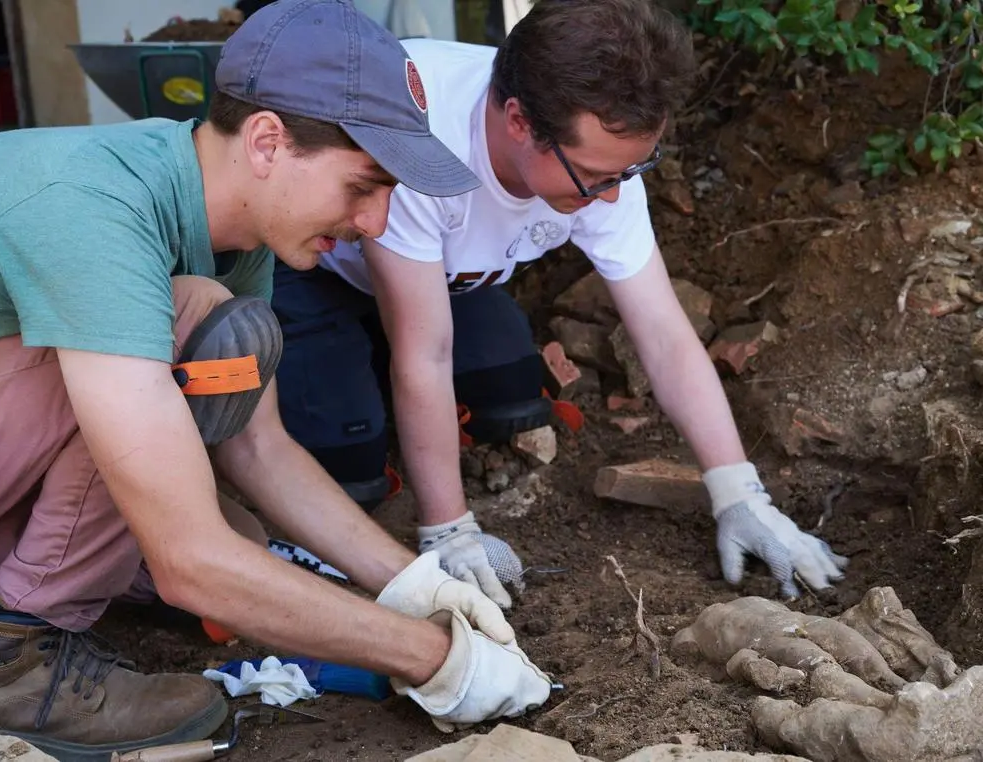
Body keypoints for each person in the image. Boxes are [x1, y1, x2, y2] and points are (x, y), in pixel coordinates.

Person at [0, 1, 553, 758]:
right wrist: (432, 659)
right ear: (268, 141)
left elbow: (259, 450)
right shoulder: (95, 211)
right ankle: (7, 658)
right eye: (364, 184)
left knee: (243, 537)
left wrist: (416, 583)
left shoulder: (233, 227)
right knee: (198, 356)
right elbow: (189, 562)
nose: (374, 222)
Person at [271, 0, 851, 610]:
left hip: (447, 279)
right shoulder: (423, 137)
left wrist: (740, 494)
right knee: (351, 464)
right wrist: (449, 530)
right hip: (317, 267)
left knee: (514, 399)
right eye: (595, 179)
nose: (611, 199)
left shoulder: (603, 159)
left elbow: (664, 334)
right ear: (519, 121)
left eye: (629, 172)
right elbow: (426, 351)